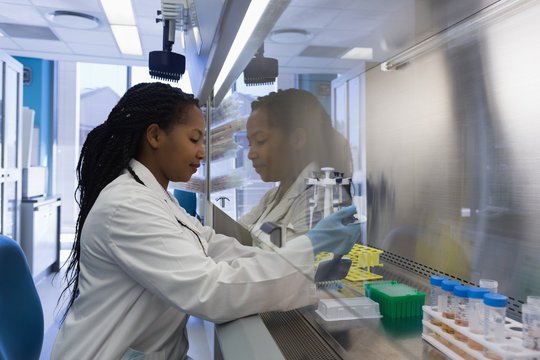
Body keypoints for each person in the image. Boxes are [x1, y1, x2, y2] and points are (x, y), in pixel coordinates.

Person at [52, 82, 360, 359]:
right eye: (194, 139)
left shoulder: (155, 198)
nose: (202, 152)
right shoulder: (128, 205)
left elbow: (212, 244)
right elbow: (210, 290)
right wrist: (306, 251)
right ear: (155, 136)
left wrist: (301, 254)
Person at [239, 89, 353, 247]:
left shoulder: (322, 199)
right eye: (250, 144)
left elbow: (285, 265)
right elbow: (236, 233)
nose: (251, 154)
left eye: (260, 141)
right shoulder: (272, 196)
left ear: (297, 139)